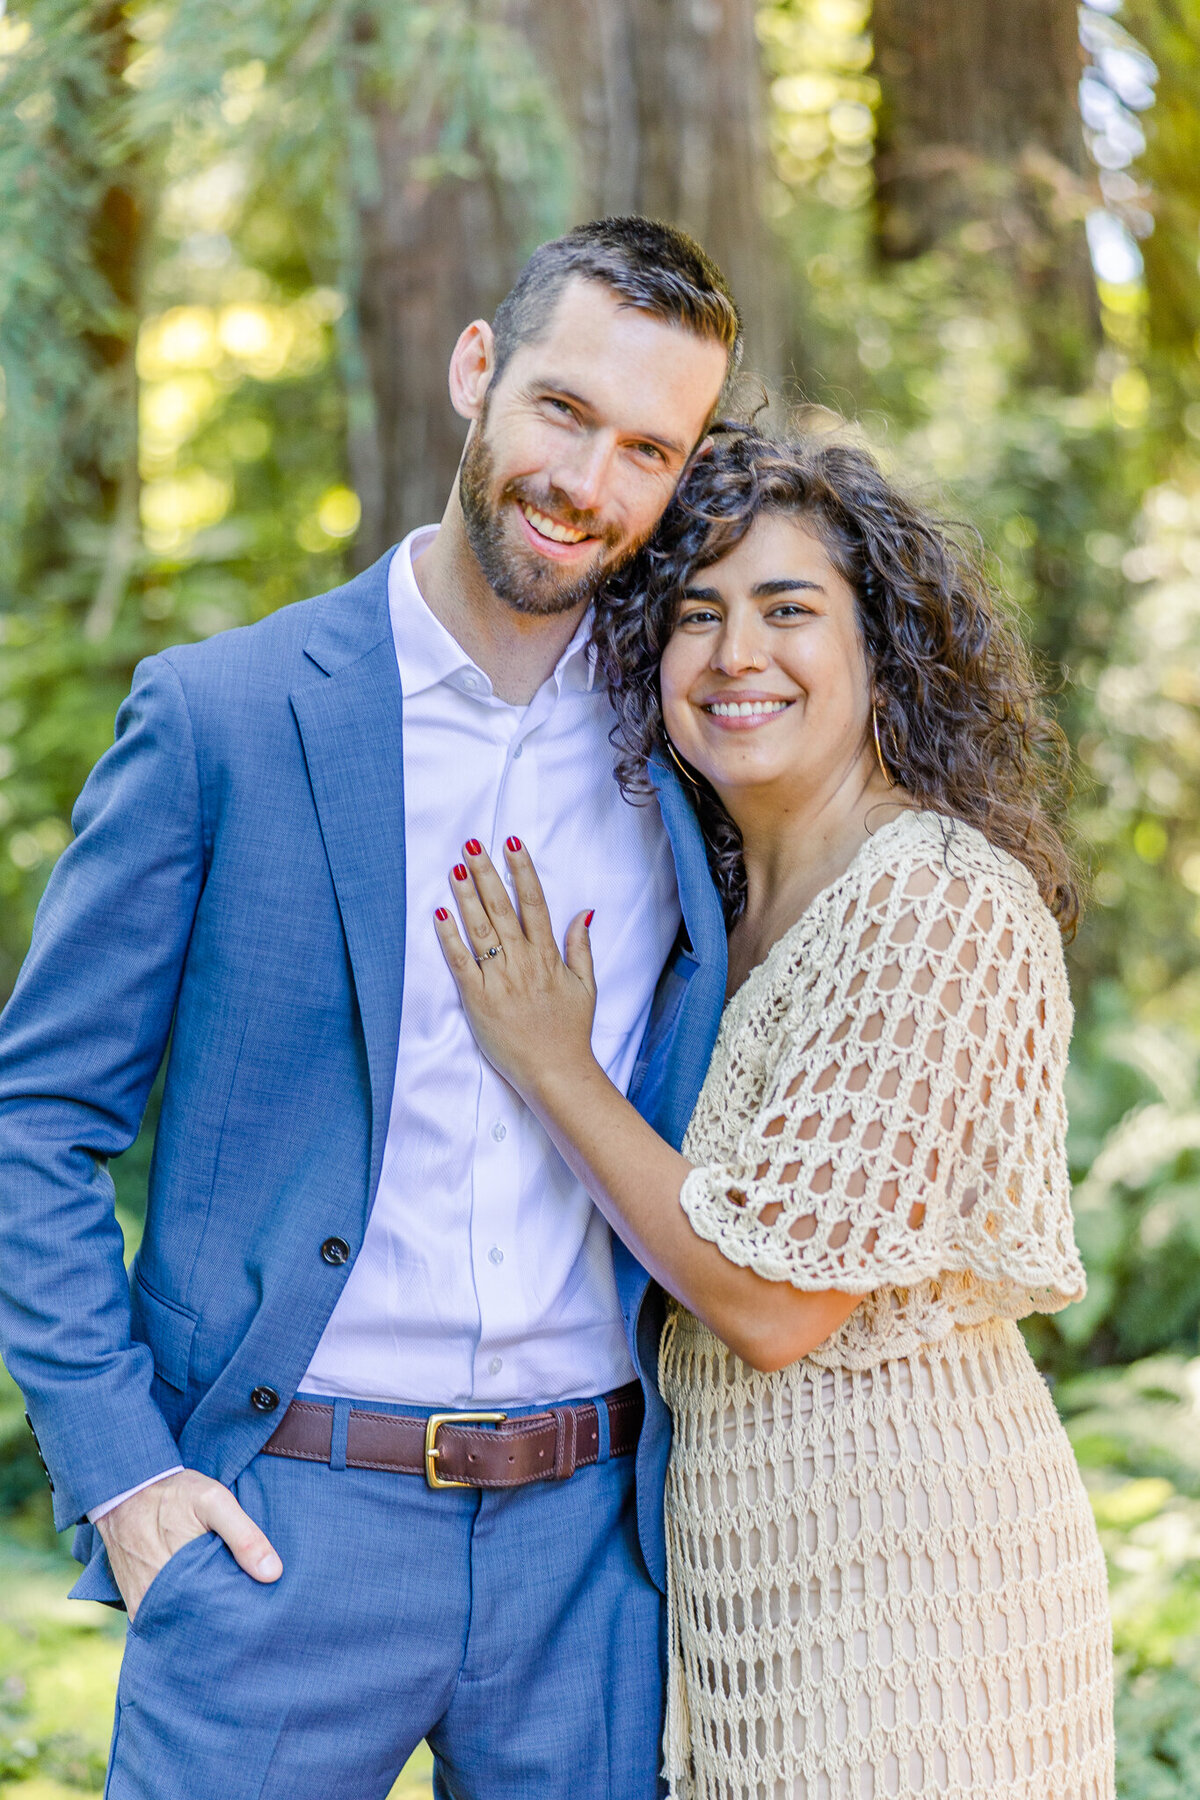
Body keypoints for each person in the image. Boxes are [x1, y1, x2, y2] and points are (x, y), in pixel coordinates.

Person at [0, 217, 742, 1799]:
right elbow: (34, 1122)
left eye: (647, 449)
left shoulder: (685, 747)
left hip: (589, 1554)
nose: (589, 484)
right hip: (282, 1527)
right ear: (475, 369)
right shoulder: (220, 718)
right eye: (562, 410)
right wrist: (126, 1475)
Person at [436, 430, 1116, 1799]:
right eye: (697, 616)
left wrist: (552, 1064)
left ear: (885, 649)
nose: (737, 653)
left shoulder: (935, 900)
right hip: (751, 1607)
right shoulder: (717, 915)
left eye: (789, 609)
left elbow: (771, 1302)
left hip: (921, 1612)